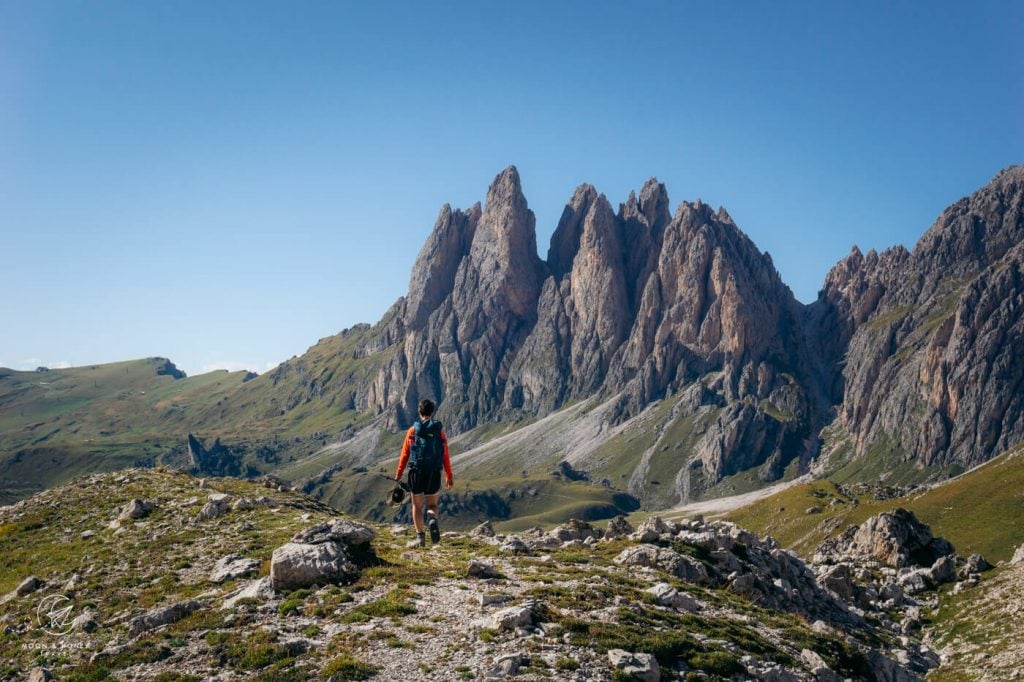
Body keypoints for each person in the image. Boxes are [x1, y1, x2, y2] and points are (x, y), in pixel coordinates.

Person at [395, 399, 454, 546]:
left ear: (419, 412)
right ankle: (432, 519)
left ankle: (420, 537)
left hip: (416, 472)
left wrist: (399, 472)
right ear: (432, 412)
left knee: (416, 505)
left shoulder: (413, 430)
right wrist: (448, 475)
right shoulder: (438, 431)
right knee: (432, 505)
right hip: (434, 471)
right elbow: (444, 454)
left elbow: (405, 454)